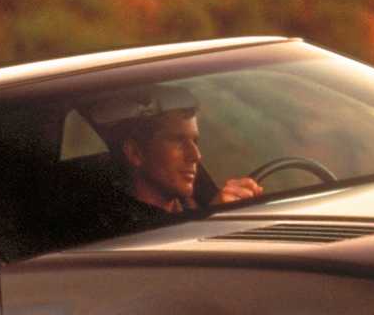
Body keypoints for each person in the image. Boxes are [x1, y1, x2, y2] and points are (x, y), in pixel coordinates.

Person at [91, 86, 262, 220]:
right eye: (178, 141)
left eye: (195, 141)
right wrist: (211, 220)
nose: (196, 156)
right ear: (135, 153)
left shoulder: (186, 206)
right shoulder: (128, 232)